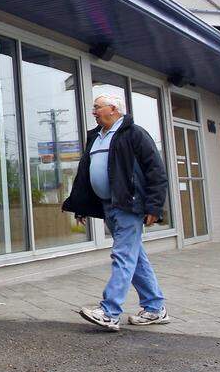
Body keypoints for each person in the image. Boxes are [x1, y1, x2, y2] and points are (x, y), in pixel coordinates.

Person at [63, 93, 170, 332]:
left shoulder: (134, 134)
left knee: (123, 255)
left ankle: (110, 312)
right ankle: (155, 308)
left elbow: (156, 171)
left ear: (114, 109)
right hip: (107, 205)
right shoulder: (96, 137)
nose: (94, 112)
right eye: (94, 108)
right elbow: (85, 172)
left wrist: (154, 206)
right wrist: (79, 205)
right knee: (134, 257)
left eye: (97, 107)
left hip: (128, 205)